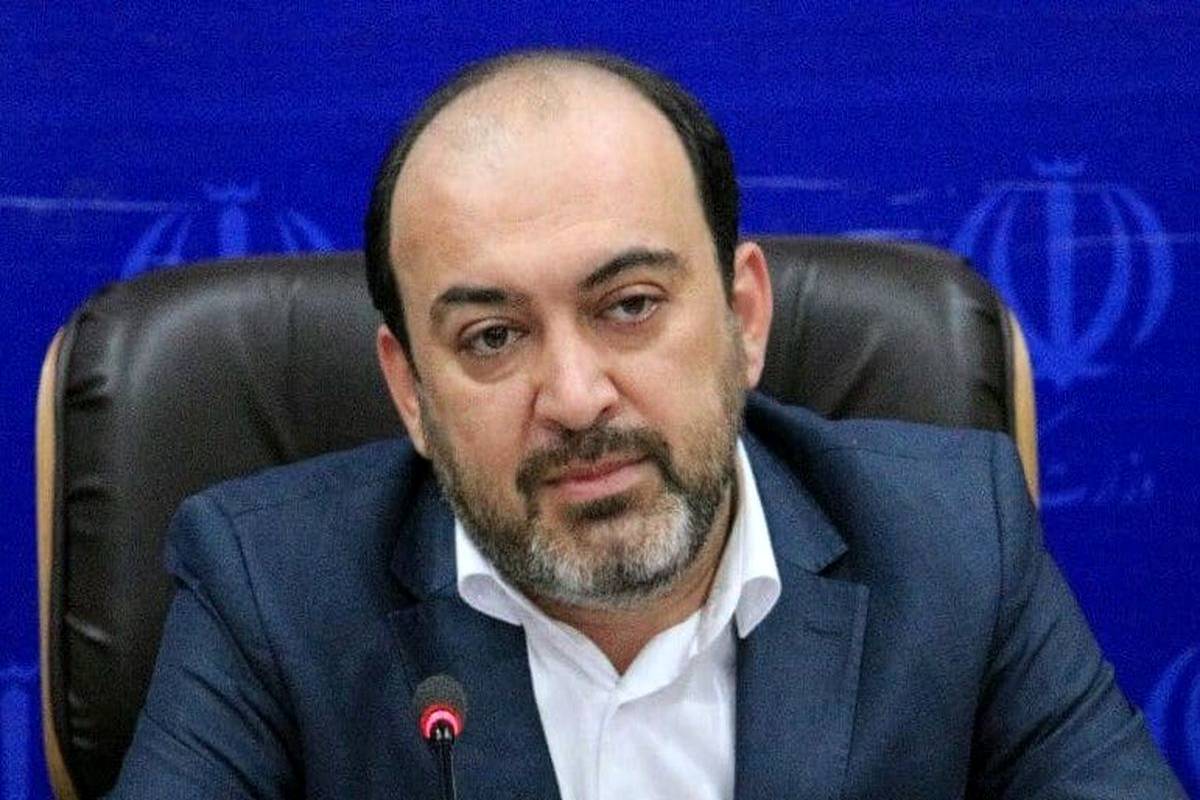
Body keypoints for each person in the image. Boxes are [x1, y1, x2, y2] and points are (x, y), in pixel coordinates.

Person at [112, 50, 1184, 798]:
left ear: (744, 317)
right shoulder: (270, 590)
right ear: (410, 393)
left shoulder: (955, 540)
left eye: (629, 307)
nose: (576, 397)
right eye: (492, 336)